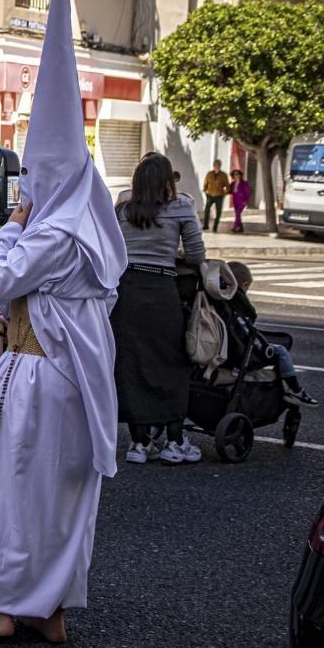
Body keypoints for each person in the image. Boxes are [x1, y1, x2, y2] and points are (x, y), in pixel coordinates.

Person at [0, 0, 127, 643]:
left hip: (39, 377)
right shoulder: (87, 225)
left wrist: (13, 223)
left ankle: (5, 606)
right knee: (53, 497)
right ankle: (46, 606)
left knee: (11, 489)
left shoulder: (54, 230)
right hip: (63, 375)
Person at [113, 152, 206, 465]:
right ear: (167, 181)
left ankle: (139, 443)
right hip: (162, 291)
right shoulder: (180, 207)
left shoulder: (122, 211)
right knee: (171, 364)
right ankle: (175, 440)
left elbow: (110, 251)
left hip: (126, 293)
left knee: (132, 365)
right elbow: (196, 254)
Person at [227, 262, 317, 406]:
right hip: (238, 351)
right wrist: (263, 348)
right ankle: (294, 390)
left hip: (222, 347)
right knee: (280, 351)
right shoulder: (236, 306)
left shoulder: (218, 299)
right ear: (244, 285)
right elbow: (244, 332)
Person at [202, 160, 230, 234]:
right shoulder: (209, 174)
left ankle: (215, 227)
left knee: (218, 212)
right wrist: (205, 190)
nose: (216, 166)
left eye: (218, 165)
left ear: (220, 166)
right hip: (210, 195)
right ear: (213, 165)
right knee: (207, 210)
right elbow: (205, 183)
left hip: (219, 195)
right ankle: (205, 225)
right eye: (215, 165)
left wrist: (225, 193)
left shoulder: (223, 175)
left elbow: (227, 185)